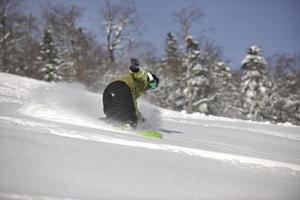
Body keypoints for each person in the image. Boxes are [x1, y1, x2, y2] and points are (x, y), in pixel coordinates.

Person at [102, 57, 159, 128]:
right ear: (150, 80)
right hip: (121, 87)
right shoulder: (142, 79)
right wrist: (134, 68)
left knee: (113, 114)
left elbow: (133, 106)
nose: (150, 88)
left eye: (154, 87)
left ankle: (105, 122)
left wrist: (143, 121)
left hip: (108, 91)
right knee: (131, 117)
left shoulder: (134, 92)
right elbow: (136, 73)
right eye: (152, 85)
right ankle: (129, 125)